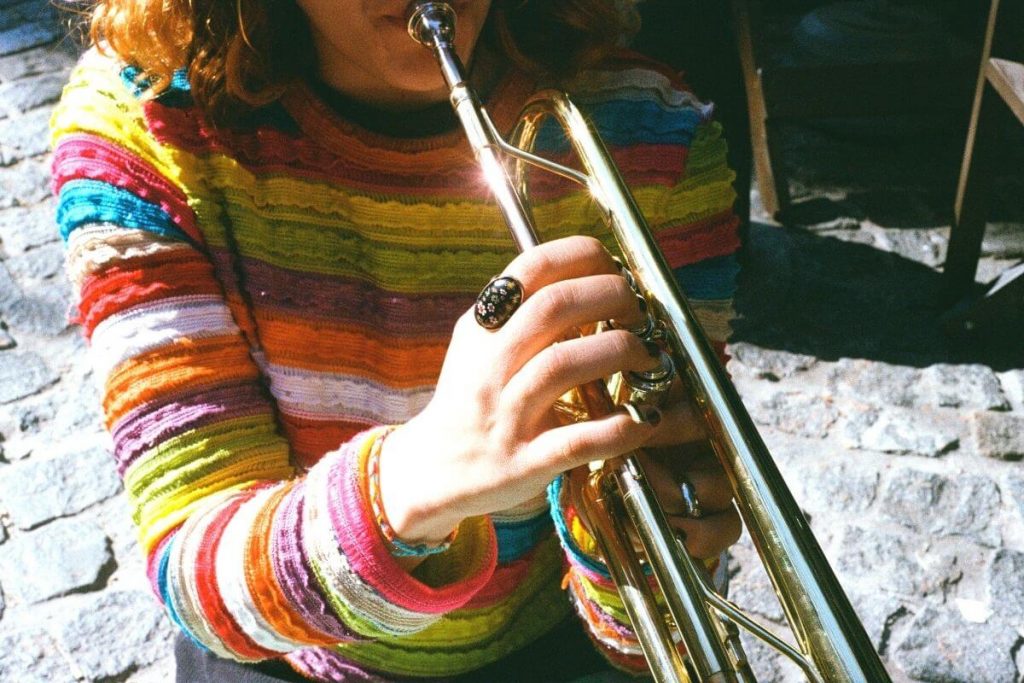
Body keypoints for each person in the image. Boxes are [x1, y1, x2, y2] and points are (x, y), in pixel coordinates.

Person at [51, 0, 744, 680]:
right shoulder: (140, 131)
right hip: (284, 658)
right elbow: (197, 573)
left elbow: (646, 634)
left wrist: (642, 537)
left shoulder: (656, 138)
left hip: (550, 643)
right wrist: (413, 483)